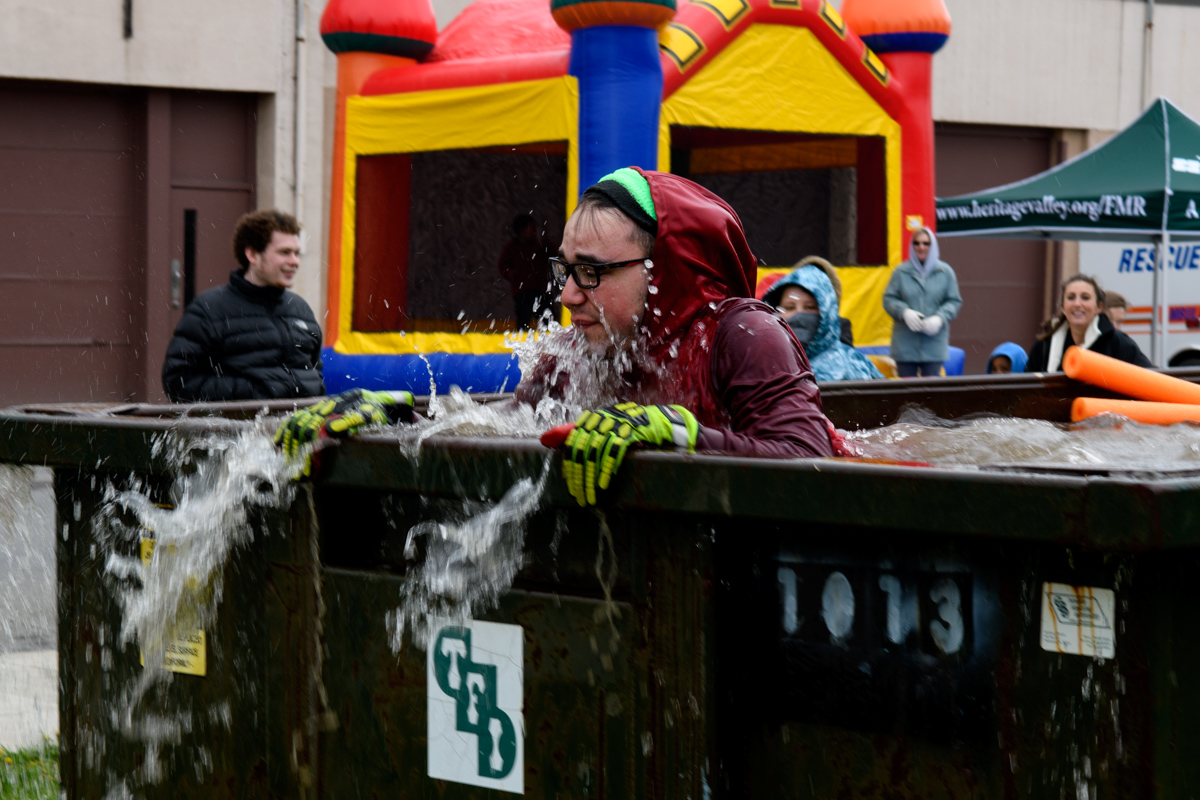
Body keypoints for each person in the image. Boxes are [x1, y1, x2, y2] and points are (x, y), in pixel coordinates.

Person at [276, 168, 840, 501]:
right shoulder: (575, 352)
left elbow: (809, 457)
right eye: (566, 269)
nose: (567, 295)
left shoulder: (745, 334)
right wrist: (403, 419)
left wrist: (680, 433)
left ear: (662, 271)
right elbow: (505, 426)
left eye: (591, 271)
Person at [162, 210, 324, 402]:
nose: (295, 261)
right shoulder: (209, 309)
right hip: (242, 422)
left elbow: (314, 372)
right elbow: (178, 382)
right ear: (252, 254)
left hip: (303, 420)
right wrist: (254, 394)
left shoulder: (301, 309)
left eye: (296, 253)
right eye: (284, 252)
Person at [763, 264, 883, 381]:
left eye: (810, 307)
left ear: (827, 311)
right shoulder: (763, 363)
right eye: (790, 308)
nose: (799, 315)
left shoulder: (854, 366)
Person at [1026, 274, 1150, 372]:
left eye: (1085, 297)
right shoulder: (1045, 343)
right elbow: (1029, 389)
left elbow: (1150, 379)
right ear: (1063, 307)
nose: (1077, 304)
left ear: (1099, 307)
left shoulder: (1118, 343)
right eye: (1071, 297)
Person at [882, 227, 962, 378]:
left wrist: (940, 318)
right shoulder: (900, 272)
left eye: (926, 243)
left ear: (933, 245)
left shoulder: (945, 272)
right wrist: (903, 311)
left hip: (934, 345)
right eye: (917, 243)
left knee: (931, 389)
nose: (921, 247)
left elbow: (954, 301)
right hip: (905, 345)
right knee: (907, 389)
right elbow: (888, 299)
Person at [497, 213, 554, 330]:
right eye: (531, 228)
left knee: (548, 320)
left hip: (541, 290)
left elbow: (557, 254)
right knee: (523, 321)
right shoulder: (511, 248)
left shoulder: (541, 245)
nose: (534, 232)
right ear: (521, 231)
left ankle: (552, 336)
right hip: (523, 292)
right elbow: (502, 266)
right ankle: (522, 337)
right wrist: (510, 273)